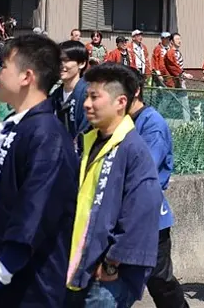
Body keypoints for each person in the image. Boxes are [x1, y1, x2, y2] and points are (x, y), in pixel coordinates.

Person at [65, 63, 163, 308]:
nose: (87, 104)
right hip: (77, 265)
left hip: (105, 277)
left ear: (120, 102)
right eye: (87, 96)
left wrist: (111, 262)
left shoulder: (133, 149)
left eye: (95, 97)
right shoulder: (86, 141)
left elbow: (141, 213)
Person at [0, 34, 79, 307]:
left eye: (3, 66)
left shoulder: (47, 135)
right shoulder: (17, 125)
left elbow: (36, 208)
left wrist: (3, 268)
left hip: (30, 286)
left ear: (26, 76)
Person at [128, 70, 189, 308]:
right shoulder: (116, 122)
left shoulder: (152, 123)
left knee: (159, 280)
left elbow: (146, 168)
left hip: (149, 214)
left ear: (134, 91)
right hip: (119, 215)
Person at [52, 39, 91, 152]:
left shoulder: (88, 94)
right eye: (58, 60)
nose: (61, 65)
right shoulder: (56, 94)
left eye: (66, 60)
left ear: (82, 63)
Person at [164, 33, 195, 122]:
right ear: (171, 42)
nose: (179, 41)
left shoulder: (177, 52)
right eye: (177, 39)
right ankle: (156, 117)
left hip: (179, 81)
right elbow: (173, 67)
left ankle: (187, 122)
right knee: (166, 101)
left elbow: (178, 67)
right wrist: (183, 74)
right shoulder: (170, 53)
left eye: (180, 39)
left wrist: (183, 75)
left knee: (184, 101)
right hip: (172, 82)